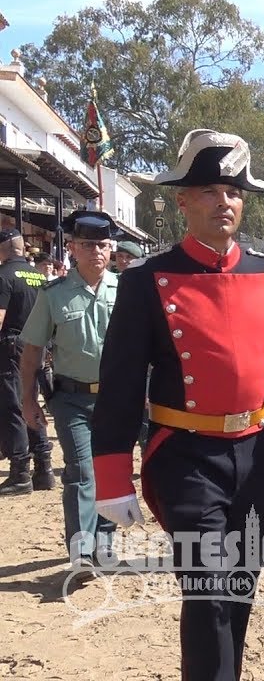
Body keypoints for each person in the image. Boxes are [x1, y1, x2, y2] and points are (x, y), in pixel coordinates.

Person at [90, 129, 264, 680]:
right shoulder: (146, 280)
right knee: (208, 587)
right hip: (183, 455)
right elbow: (119, 383)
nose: (223, 202)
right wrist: (112, 474)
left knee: (239, 586)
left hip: (256, 454)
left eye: (233, 191)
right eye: (209, 190)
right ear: (182, 200)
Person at [18, 213, 120, 570]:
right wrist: (27, 398)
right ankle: (81, 548)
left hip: (116, 398)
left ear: (112, 248)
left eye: (103, 244)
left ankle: (105, 542)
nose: (96, 251)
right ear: (73, 249)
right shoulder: (53, 295)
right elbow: (31, 351)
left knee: (112, 471)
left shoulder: (123, 292)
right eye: (88, 245)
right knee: (81, 470)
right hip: (71, 399)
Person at [0, 228, 53, 495]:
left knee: (12, 407)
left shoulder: (4, 276)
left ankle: (20, 472)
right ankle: (44, 468)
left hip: (10, 348)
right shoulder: (38, 277)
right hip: (36, 346)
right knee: (31, 402)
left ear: (5, 248)